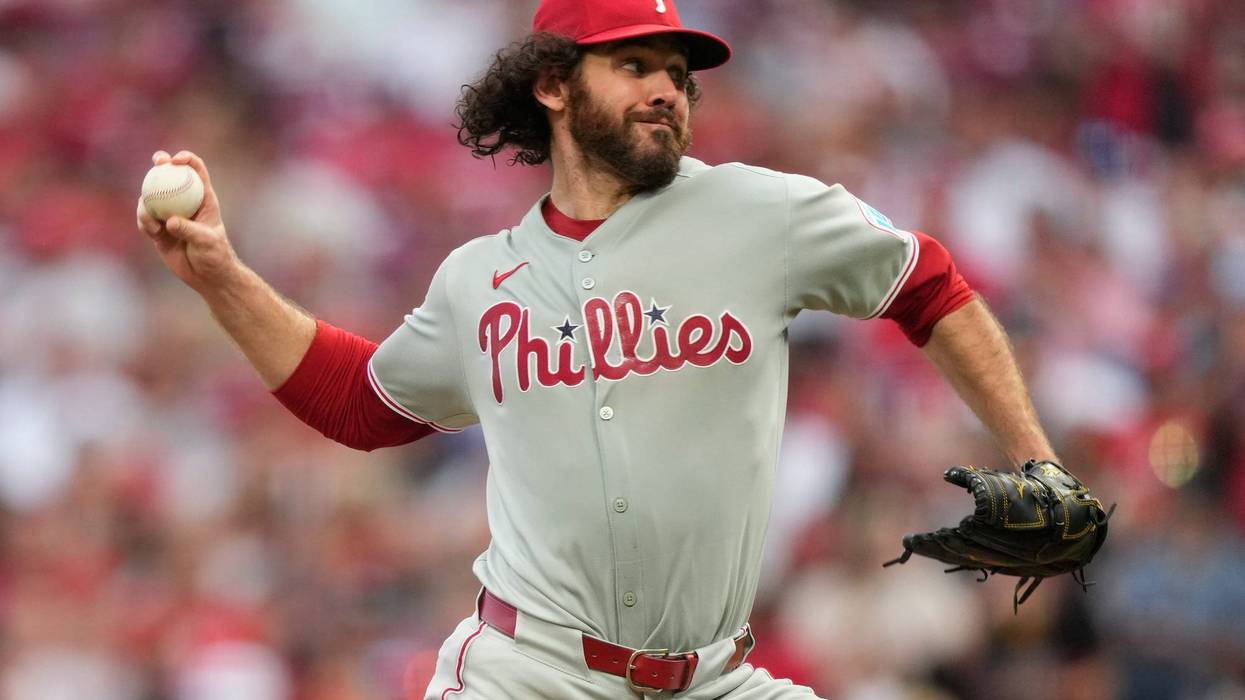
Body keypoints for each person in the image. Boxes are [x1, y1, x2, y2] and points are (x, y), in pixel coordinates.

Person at [136, 0, 1065, 697]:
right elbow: (362, 405)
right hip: (527, 673)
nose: (666, 87)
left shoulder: (758, 211)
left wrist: (1039, 465)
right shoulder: (478, 278)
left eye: (676, 71)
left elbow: (929, 285)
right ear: (552, 84)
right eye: (633, 64)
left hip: (716, 677)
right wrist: (219, 274)